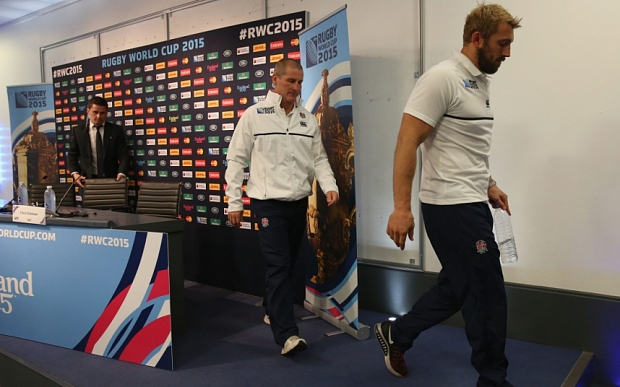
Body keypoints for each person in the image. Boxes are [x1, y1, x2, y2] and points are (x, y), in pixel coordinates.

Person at [375, 4, 521, 386]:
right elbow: (407, 143)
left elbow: (466, 146)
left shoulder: (480, 83)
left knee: (460, 285)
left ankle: (398, 334)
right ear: (477, 38)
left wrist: (489, 183)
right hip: (449, 206)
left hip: (472, 200)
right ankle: (493, 379)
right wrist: (400, 208)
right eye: (502, 43)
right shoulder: (441, 78)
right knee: (486, 293)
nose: (507, 52)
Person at [225, 59, 339, 355]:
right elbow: (236, 159)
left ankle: (271, 308)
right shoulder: (254, 115)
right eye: (291, 81)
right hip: (267, 204)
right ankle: (287, 334)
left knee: (287, 261)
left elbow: (319, 159)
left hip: (298, 202)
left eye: (300, 82)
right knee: (278, 264)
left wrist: (330, 186)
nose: (296, 87)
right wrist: (234, 201)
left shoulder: (307, 119)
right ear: (274, 80)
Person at [67, 96, 129, 188]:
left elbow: (124, 155)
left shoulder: (116, 131)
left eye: (102, 113)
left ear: (107, 112)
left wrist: (122, 173)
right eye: (95, 112)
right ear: (88, 111)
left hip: (112, 180)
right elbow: (72, 155)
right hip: (87, 180)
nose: (98, 116)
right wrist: (75, 174)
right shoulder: (78, 131)